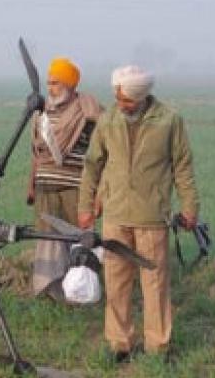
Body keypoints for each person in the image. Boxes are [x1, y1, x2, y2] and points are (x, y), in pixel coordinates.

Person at [77, 65, 199, 361]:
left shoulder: (170, 121)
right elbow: (92, 165)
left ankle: (158, 347)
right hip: (115, 217)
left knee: (154, 284)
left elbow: (182, 166)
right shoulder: (107, 121)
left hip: (152, 217)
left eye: (127, 100)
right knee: (116, 282)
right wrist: (85, 206)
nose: (122, 105)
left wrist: (190, 207)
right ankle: (120, 344)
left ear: (143, 96)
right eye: (118, 99)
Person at [26, 57, 102, 301]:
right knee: (47, 239)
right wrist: (31, 183)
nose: (51, 88)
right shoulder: (41, 112)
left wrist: (98, 194)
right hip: (45, 185)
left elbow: (103, 153)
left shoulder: (88, 110)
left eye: (56, 83)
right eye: (49, 83)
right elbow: (37, 152)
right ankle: (52, 292)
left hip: (76, 187)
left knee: (77, 240)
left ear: (70, 84)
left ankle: (80, 292)